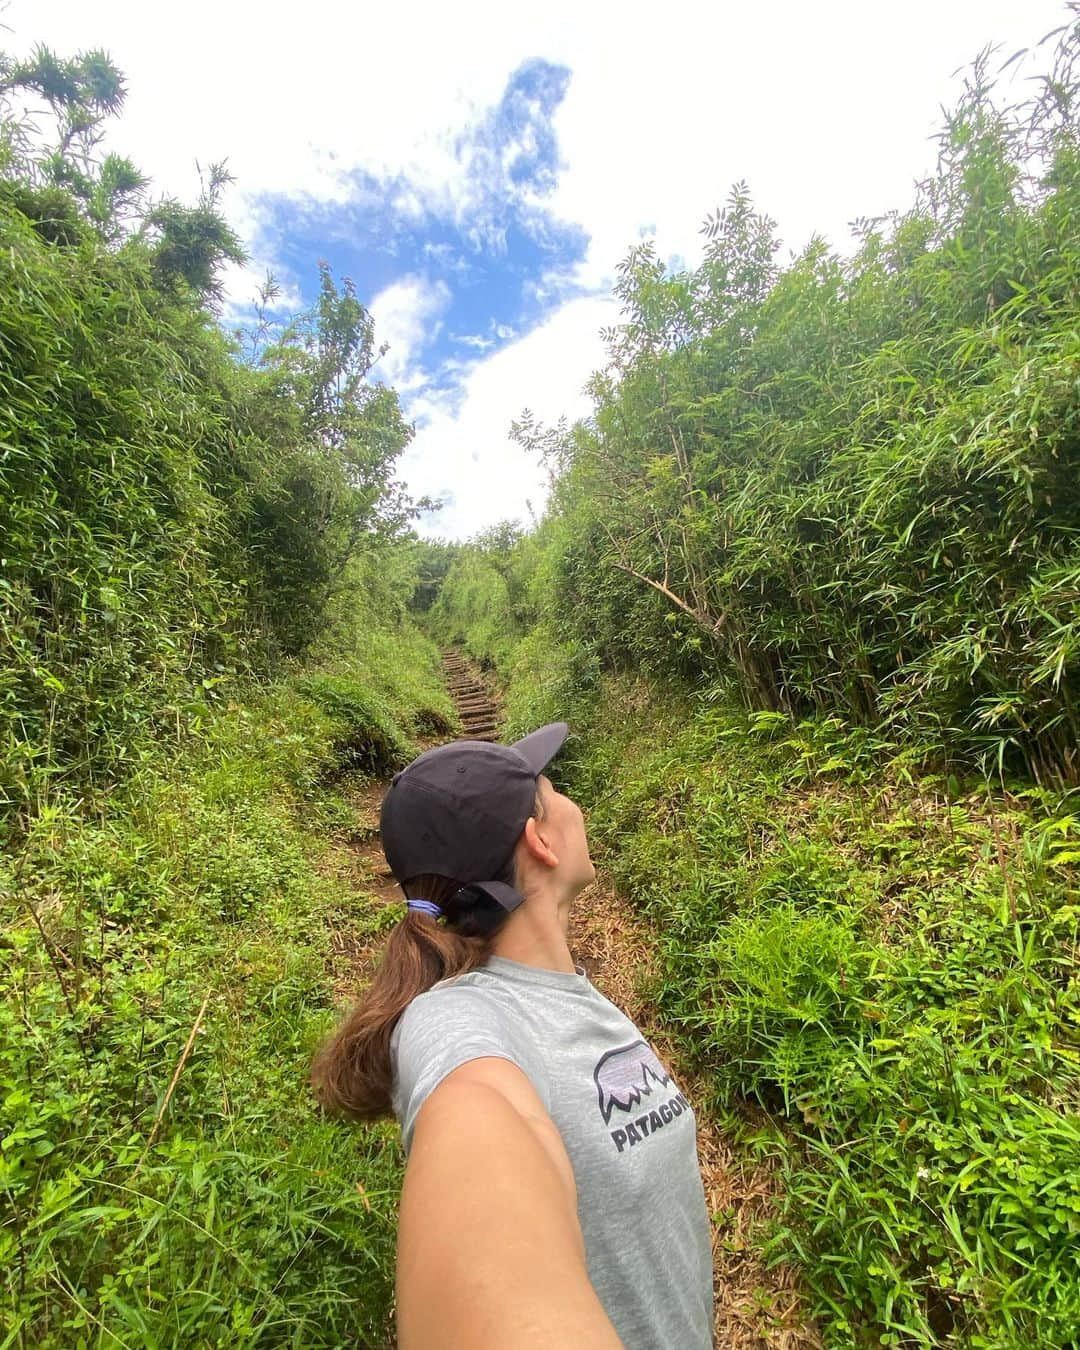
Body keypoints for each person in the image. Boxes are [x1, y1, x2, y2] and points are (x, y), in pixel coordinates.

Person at [311, 722, 714, 1349]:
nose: (571, 804)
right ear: (541, 841)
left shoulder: (555, 992)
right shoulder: (457, 1022)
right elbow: (478, 1123)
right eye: (554, 792)